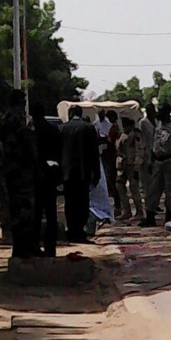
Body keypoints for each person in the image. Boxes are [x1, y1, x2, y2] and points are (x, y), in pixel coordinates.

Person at [0, 89, 39, 258]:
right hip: (22, 170)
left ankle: (19, 248)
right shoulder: (19, 119)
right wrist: (36, 166)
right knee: (26, 211)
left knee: (15, 210)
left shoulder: (4, 119)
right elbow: (27, 144)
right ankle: (26, 248)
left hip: (10, 170)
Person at [60, 104, 101, 243]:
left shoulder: (62, 128)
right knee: (82, 202)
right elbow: (94, 153)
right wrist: (97, 173)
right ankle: (79, 231)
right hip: (83, 173)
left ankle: (71, 230)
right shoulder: (89, 128)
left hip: (66, 173)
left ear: (70, 114)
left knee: (69, 202)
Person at [140, 103, 171, 226]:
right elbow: (153, 145)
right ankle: (150, 216)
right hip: (157, 162)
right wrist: (150, 161)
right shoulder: (157, 127)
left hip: (169, 162)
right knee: (153, 190)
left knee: (169, 191)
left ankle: (168, 216)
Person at [30, 101, 62, 256]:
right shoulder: (52, 129)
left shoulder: (30, 131)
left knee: (35, 214)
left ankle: (34, 245)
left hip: (34, 177)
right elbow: (59, 153)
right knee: (51, 213)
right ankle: (51, 247)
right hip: (50, 175)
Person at [115, 116, 144, 221]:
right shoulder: (123, 135)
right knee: (119, 186)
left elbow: (139, 152)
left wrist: (136, 167)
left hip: (132, 165)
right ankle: (126, 211)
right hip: (123, 165)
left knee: (134, 189)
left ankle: (139, 212)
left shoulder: (136, 135)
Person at [138, 102, 156, 214]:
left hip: (155, 154)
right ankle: (147, 205)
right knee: (145, 183)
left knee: (154, 182)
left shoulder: (156, 122)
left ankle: (154, 204)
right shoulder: (143, 123)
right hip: (145, 155)